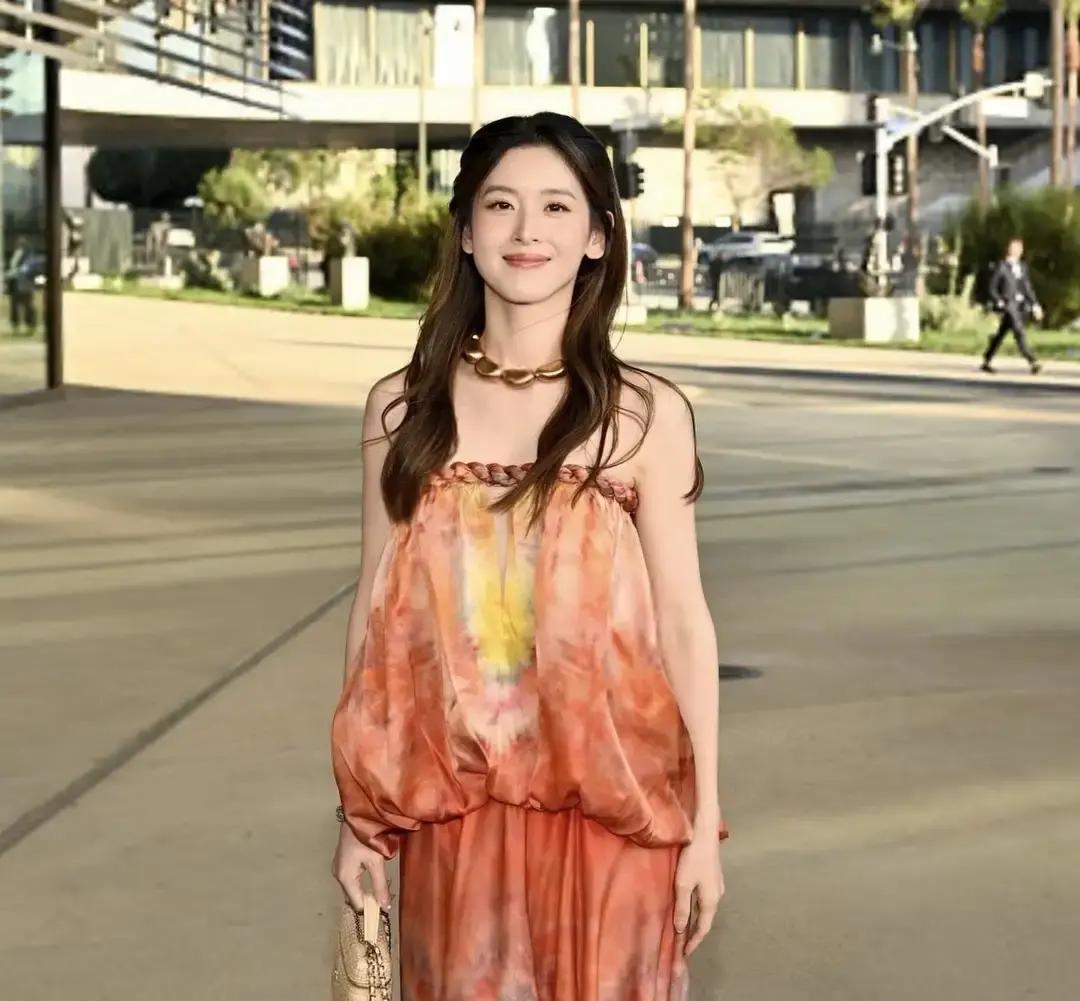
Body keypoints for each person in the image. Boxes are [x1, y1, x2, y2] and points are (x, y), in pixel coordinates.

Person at [330, 112, 728, 1001]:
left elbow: (684, 624)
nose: (526, 230)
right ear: (468, 232)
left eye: (557, 206)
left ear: (596, 237)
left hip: (619, 809)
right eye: (500, 204)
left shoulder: (643, 417)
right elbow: (378, 619)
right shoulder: (402, 412)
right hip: (454, 812)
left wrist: (703, 823)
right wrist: (360, 811)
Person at [983, 236, 1043, 375]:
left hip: (1019, 305)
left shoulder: (1022, 267)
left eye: (1019, 248)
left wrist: (1035, 305)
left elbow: (1027, 288)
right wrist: (999, 301)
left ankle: (987, 359)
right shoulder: (1001, 266)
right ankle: (1033, 361)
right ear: (1009, 249)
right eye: (1014, 248)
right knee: (1019, 331)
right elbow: (991, 287)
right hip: (1008, 304)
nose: (1018, 251)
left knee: (1001, 334)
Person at [5, 237, 37, 333]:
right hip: (15, 284)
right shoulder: (15, 254)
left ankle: (30, 325)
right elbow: (11, 266)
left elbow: (26, 268)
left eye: (20, 243)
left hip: (25, 284)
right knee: (14, 305)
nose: (18, 244)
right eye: (18, 243)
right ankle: (15, 325)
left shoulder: (29, 255)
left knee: (28, 305)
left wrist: (12, 273)